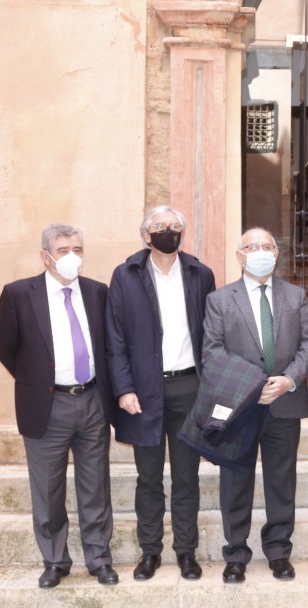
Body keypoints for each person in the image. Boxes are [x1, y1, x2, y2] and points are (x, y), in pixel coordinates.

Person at [0, 224, 118, 588]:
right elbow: (4, 346)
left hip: (92, 400)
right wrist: (36, 381)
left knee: (96, 488)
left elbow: (107, 344)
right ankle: (55, 561)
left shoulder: (97, 292)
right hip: (47, 405)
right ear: (45, 255)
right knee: (48, 490)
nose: (71, 256)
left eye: (77, 249)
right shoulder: (19, 294)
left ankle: (99, 559)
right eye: (63, 250)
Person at [201, 227, 308, 583]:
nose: (262, 252)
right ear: (240, 256)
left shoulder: (295, 296)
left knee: (282, 480)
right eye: (253, 247)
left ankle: (279, 552)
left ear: (276, 254)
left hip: (284, 401)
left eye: (268, 246)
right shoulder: (220, 300)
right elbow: (212, 351)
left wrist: (288, 380)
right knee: (235, 481)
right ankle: (235, 555)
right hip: (240, 406)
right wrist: (252, 386)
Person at [106, 206, 216, 582]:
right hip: (144, 391)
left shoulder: (201, 274)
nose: (168, 231)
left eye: (174, 227)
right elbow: (115, 338)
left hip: (190, 387)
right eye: (159, 227)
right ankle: (149, 551)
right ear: (145, 235)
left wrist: (211, 387)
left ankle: (186, 552)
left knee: (187, 477)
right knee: (148, 478)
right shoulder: (126, 276)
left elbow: (212, 335)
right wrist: (124, 388)